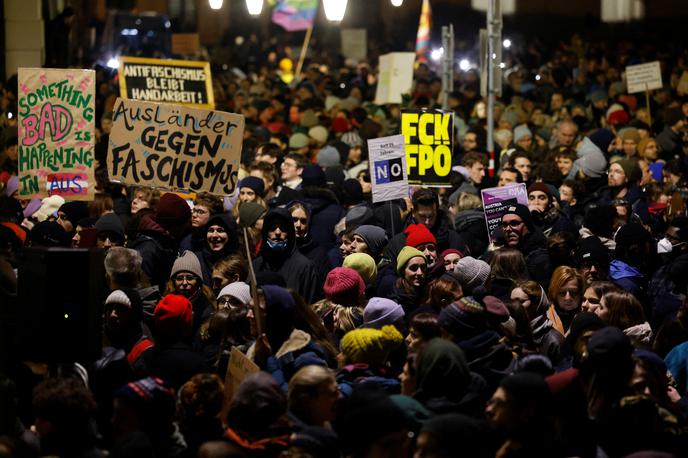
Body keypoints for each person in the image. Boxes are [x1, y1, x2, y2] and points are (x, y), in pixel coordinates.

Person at [253, 208, 319, 303]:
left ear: (290, 233)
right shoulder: (257, 265)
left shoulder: (304, 267)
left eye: (283, 228)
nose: (278, 232)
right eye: (272, 227)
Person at [499, 203, 551, 286]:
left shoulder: (540, 259)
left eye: (514, 223)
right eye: (504, 225)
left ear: (528, 226)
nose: (508, 229)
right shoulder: (500, 253)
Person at [194, 213, 239, 287]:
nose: (214, 235)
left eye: (220, 231)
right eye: (211, 230)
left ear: (230, 235)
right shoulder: (196, 260)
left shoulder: (239, 260)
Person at [546, 265, 585, 334]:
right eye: (562, 293)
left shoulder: (587, 318)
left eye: (574, 293)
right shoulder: (545, 318)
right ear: (554, 294)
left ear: (580, 293)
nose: (568, 298)